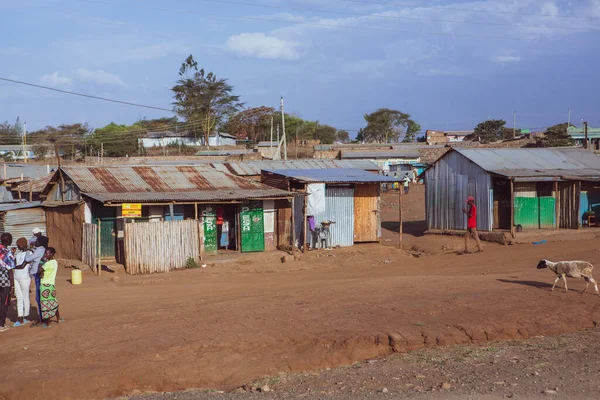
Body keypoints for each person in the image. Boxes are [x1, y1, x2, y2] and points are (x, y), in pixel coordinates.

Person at [21, 236, 48, 323]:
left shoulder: (39, 250)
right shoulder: (43, 249)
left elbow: (28, 259)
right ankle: (43, 316)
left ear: (39, 242)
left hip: (37, 274)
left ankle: (41, 318)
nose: (35, 242)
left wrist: (27, 251)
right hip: (40, 274)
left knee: (38, 297)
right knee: (41, 296)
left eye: (36, 241)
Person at [39, 247, 62, 328]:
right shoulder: (54, 262)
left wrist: (41, 261)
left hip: (45, 285)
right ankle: (59, 319)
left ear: (52, 254)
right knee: (53, 302)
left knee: (46, 304)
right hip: (51, 285)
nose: (46, 255)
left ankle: (48, 323)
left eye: (47, 253)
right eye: (46, 253)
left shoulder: (47, 263)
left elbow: (39, 270)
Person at [13, 238, 32, 327]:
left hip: (24, 278)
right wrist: (12, 254)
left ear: (23, 245)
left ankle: (26, 316)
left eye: (18, 245)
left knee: (25, 297)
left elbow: (22, 266)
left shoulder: (29, 253)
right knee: (19, 297)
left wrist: (11, 267)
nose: (17, 246)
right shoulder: (18, 254)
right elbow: (14, 263)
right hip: (16, 277)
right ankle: (20, 317)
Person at [0, 232, 16, 332]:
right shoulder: (8, 253)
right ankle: (1, 324)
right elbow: (10, 271)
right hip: (4, 281)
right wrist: (12, 286)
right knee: (3, 303)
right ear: (9, 241)